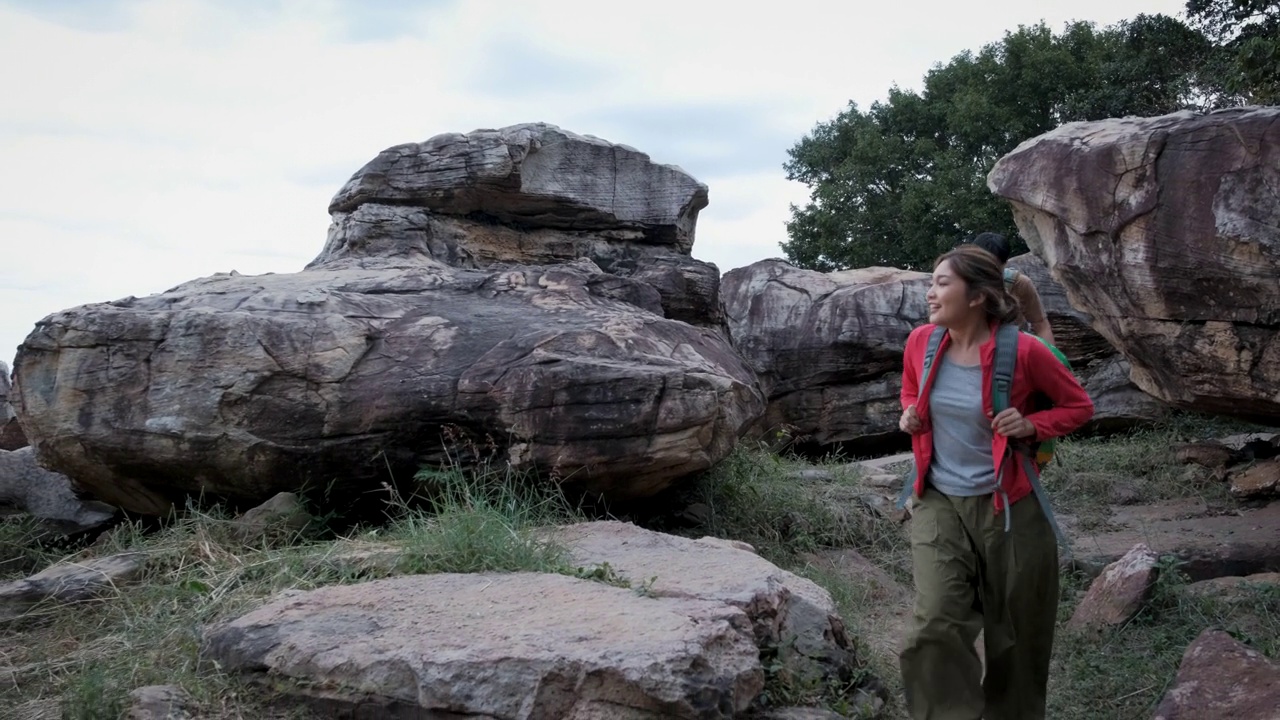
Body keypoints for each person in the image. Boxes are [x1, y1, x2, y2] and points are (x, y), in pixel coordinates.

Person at [897, 245, 1093, 720]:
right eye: (932, 281)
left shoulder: (1025, 350)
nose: (930, 292)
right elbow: (910, 388)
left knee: (1017, 633)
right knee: (935, 622)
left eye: (943, 283)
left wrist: (1031, 425)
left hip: (1010, 504)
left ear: (979, 296)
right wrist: (909, 413)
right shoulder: (922, 342)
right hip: (938, 498)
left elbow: (1078, 407)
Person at [970, 232, 1056, 347]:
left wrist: (1053, 359)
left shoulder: (1018, 284)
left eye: (994, 267)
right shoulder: (961, 285)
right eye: (983, 266)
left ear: (1005, 263)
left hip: (1011, 349)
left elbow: (1040, 324)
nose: (988, 272)